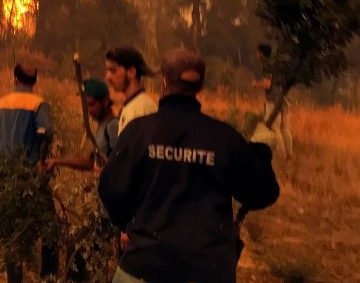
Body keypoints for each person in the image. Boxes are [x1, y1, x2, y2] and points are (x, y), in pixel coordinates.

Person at [98, 48, 280, 283]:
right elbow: (262, 193)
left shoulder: (139, 132)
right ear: (199, 86)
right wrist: (261, 150)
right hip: (206, 269)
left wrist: (130, 225)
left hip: (144, 265)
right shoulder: (223, 138)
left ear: (164, 81)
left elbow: (110, 189)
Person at [0, 64, 57, 282]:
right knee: (50, 228)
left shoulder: (0, 104)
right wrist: (42, 162)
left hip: (2, 178)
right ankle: (49, 277)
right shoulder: (38, 104)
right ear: (35, 81)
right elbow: (45, 134)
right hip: (30, 179)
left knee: (13, 235)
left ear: (15, 79)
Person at [45, 79, 118, 172]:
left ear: (105, 101)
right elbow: (90, 162)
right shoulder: (103, 126)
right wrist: (57, 161)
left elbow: (120, 161)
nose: (89, 110)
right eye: (87, 106)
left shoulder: (112, 126)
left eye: (92, 104)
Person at [105, 47, 157, 135]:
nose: (108, 77)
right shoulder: (132, 106)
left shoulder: (142, 108)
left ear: (132, 72)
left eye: (113, 71)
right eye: (107, 70)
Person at [253, 43, 292, 159]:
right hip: (284, 99)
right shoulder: (278, 64)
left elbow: (267, 84)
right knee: (285, 128)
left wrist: (256, 84)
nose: (256, 54)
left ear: (262, 53)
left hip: (273, 101)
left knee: (275, 128)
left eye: (257, 52)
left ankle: (281, 156)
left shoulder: (267, 65)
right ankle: (290, 154)